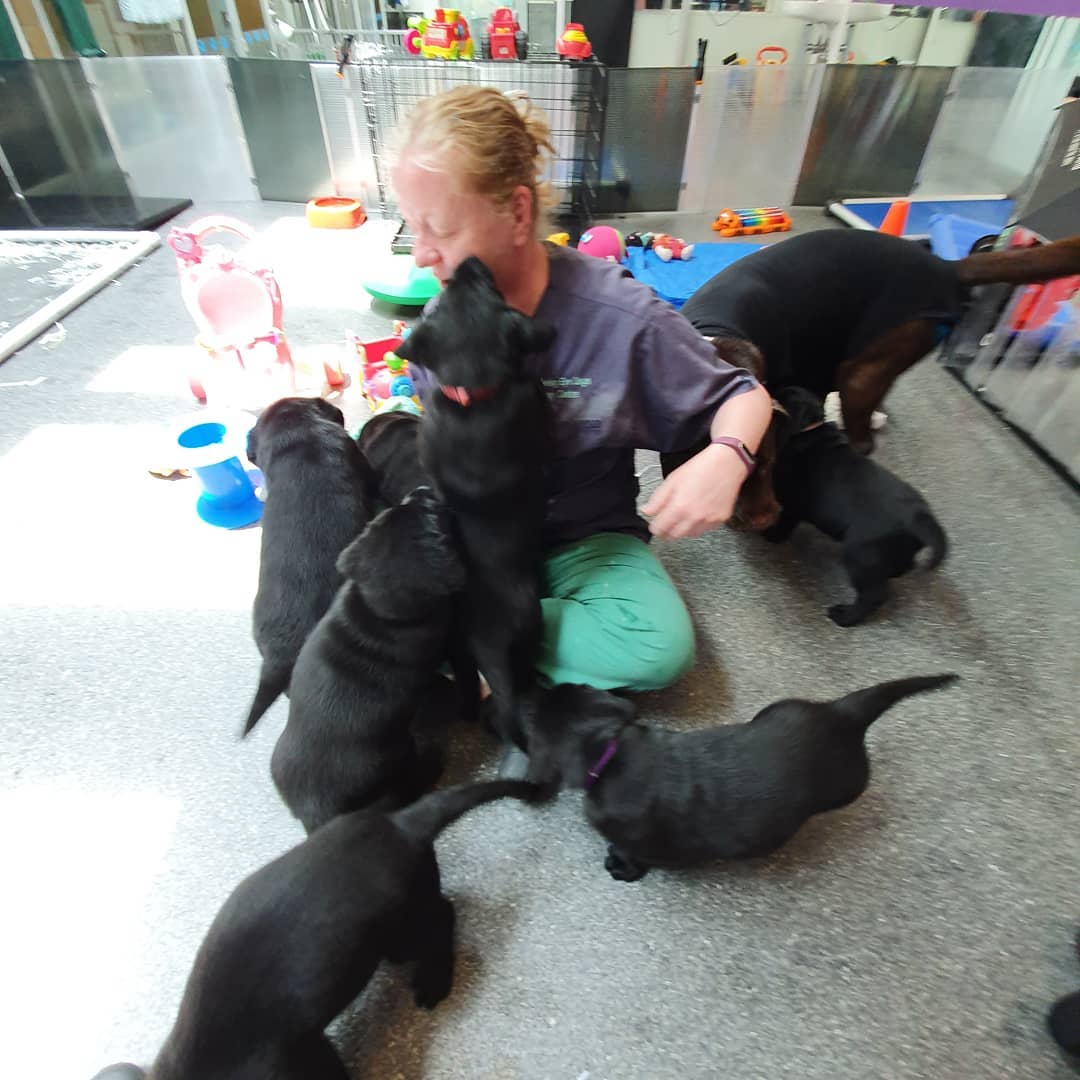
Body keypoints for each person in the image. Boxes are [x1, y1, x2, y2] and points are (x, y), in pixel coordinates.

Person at [391, 85, 772, 694]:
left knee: (658, 650)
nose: (420, 256)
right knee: (366, 588)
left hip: (582, 539)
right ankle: (488, 645)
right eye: (412, 228)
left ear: (517, 213)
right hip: (479, 534)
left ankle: (477, 644)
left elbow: (745, 396)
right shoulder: (440, 325)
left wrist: (726, 460)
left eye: (438, 229)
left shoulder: (618, 314)